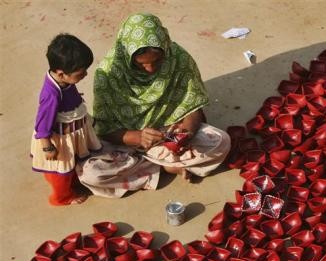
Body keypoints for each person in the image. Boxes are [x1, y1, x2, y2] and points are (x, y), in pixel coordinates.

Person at [78, 13, 231, 198]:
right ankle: (164, 167)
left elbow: (194, 107)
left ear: (165, 48)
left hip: (168, 135)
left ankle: (154, 166)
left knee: (221, 141)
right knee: (91, 174)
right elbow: (104, 128)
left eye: (157, 61)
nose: (151, 69)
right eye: (142, 64)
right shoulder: (108, 73)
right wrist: (138, 137)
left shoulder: (179, 59)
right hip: (125, 141)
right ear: (127, 56)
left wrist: (186, 133)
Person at [31, 34, 102, 206]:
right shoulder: (51, 95)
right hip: (60, 139)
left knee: (72, 162)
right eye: (81, 72)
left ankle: (72, 183)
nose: (85, 74)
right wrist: (48, 147)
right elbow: (43, 122)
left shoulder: (63, 80)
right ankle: (61, 197)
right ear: (61, 74)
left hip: (72, 132)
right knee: (60, 169)